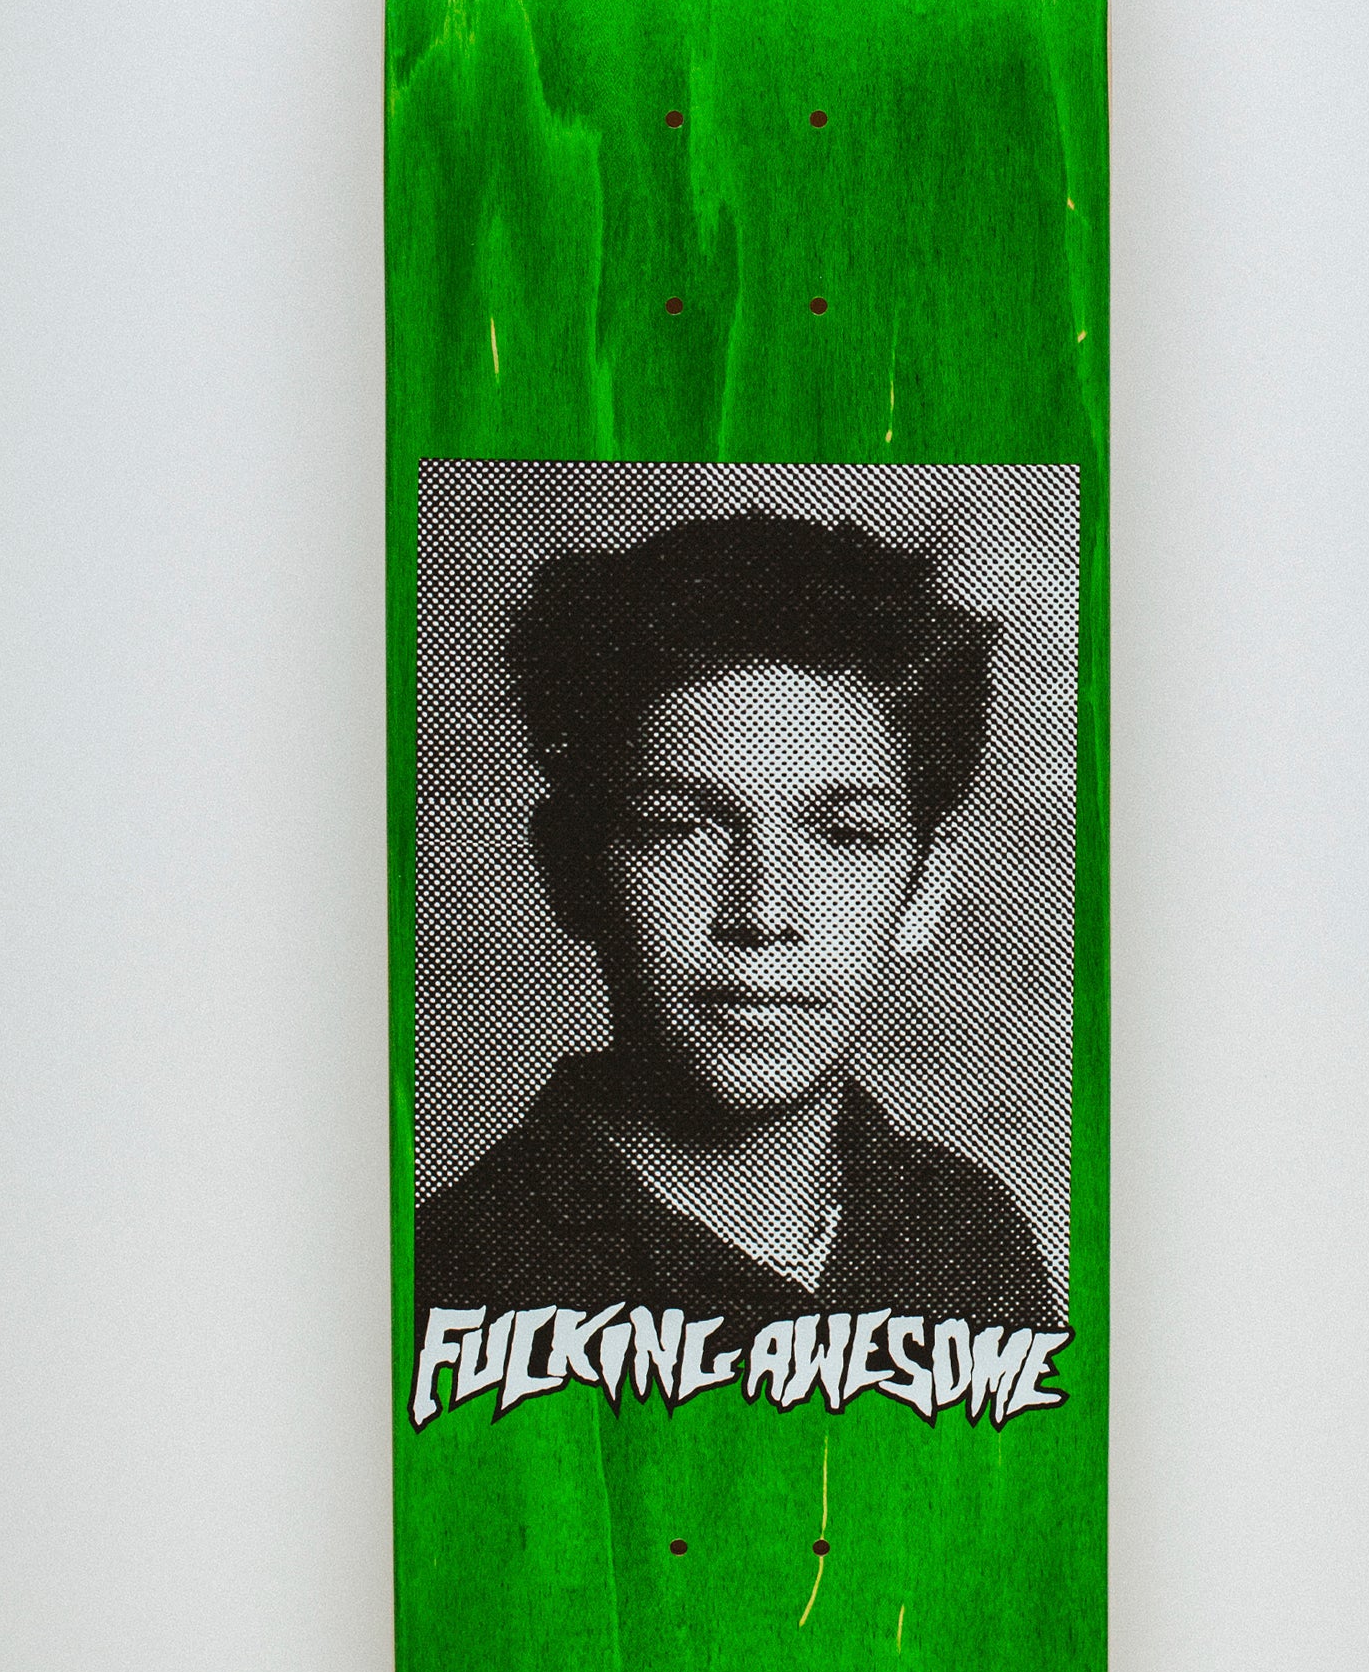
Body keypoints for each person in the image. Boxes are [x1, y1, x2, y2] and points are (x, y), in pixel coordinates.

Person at [413, 510, 1058, 1370]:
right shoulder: (464, 1290)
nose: (763, 913)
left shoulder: (967, 1241)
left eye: (846, 836)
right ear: (572, 872)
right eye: (679, 829)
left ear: (924, 893)